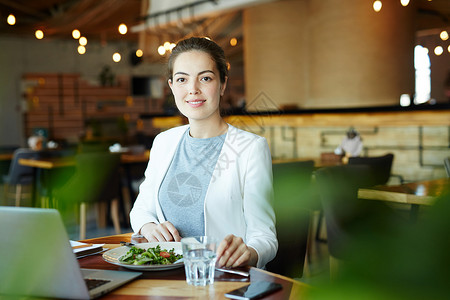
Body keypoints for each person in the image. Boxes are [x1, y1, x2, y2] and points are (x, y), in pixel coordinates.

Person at [130, 37, 277, 269]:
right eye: (182, 79)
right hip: (165, 277)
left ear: (222, 85)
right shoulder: (163, 142)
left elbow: (265, 237)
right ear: (171, 86)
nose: (193, 90)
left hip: (221, 279)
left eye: (205, 78)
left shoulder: (250, 148)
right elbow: (140, 209)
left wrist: (248, 253)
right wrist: (148, 227)